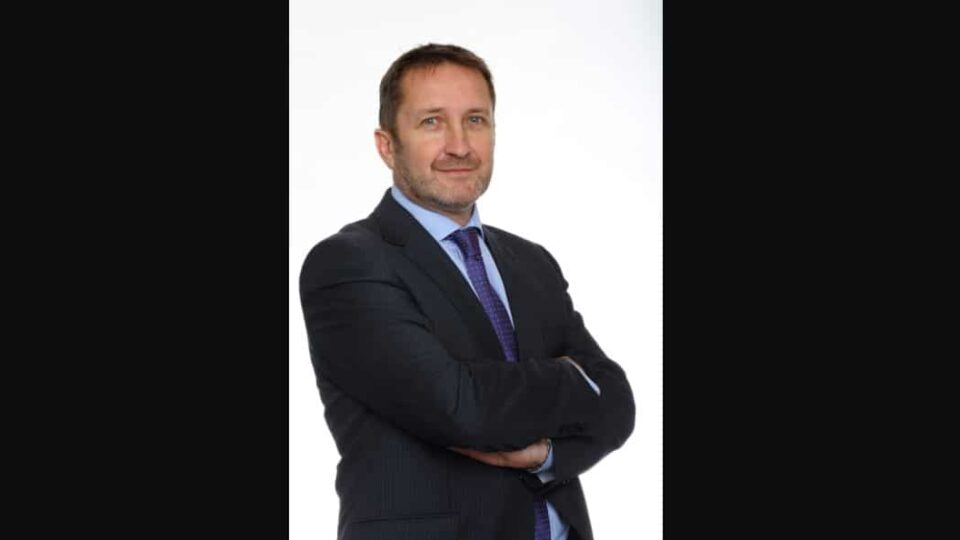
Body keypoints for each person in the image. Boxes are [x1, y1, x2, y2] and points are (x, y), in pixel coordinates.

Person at [299, 43, 635, 540]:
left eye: (475, 120)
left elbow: (618, 406)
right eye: (432, 122)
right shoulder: (348, 263)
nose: (459, 146)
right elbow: (461, 408)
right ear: (387, 145)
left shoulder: (532, 262)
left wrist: (547, 454)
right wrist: (574, 379)